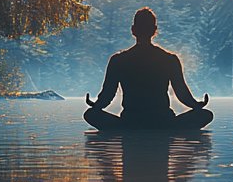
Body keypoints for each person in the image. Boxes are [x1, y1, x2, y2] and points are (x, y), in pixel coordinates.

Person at [85, 8, 213, 131]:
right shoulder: (169, 59)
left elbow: (107, 96)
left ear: (133, 30)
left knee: (91, 114)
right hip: (163, 122)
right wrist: (197, 105)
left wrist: (96, 106)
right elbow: (182, 94)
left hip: (130, 123)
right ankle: (170, 129)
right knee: (205, 115)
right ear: (154, 30)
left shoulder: (118, 60)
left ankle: (128, 130)